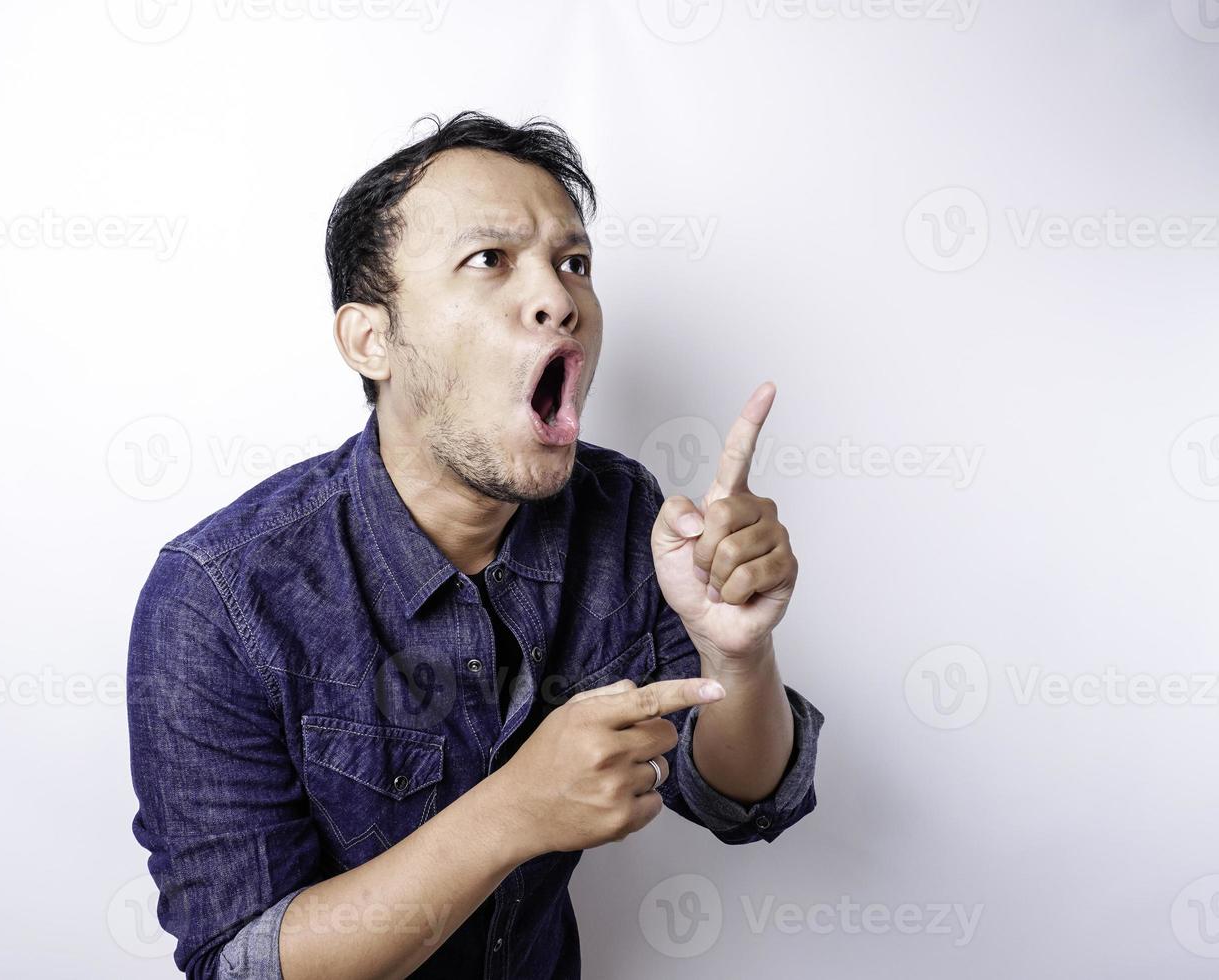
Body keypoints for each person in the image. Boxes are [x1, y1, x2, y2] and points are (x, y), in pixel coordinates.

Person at [125, 110, 825, 979]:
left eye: (573, 263)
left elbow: (740, 798)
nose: (560, 297)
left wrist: (740, 654)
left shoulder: (619, 512)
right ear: (370, 338)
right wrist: (514, 812)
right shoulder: (217, 599)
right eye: (489, 259)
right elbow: (241, 966)